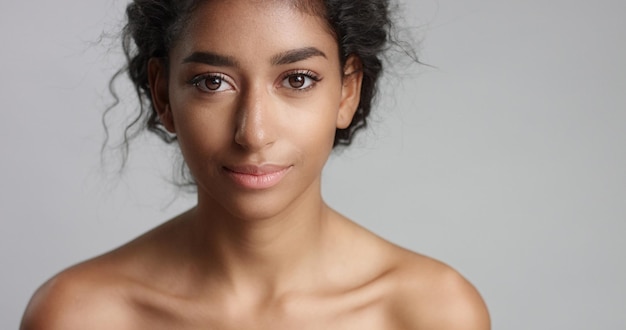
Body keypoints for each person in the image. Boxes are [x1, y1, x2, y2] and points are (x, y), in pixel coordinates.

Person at [21, 0, 490, 329]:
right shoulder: (79, 316)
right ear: (163, 94)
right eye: (212, 82)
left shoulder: (432, 314)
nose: (254, 132)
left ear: (347, 91)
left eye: (298, 79)